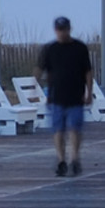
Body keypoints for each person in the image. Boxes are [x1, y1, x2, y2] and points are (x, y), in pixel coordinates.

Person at [38, 15, 96, 177]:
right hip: (57, 97)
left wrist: (89, 93)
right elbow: (46, 72)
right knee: (58, 130)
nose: (61, 33)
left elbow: (88, 72)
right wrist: (46, 92)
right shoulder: (50, 49)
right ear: (55, 30)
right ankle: (61, 160)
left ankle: (75, 158)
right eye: (59, 30)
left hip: (76, 97)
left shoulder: (80, 48)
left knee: (75, 129)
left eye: (64, 30)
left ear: (69, 29)